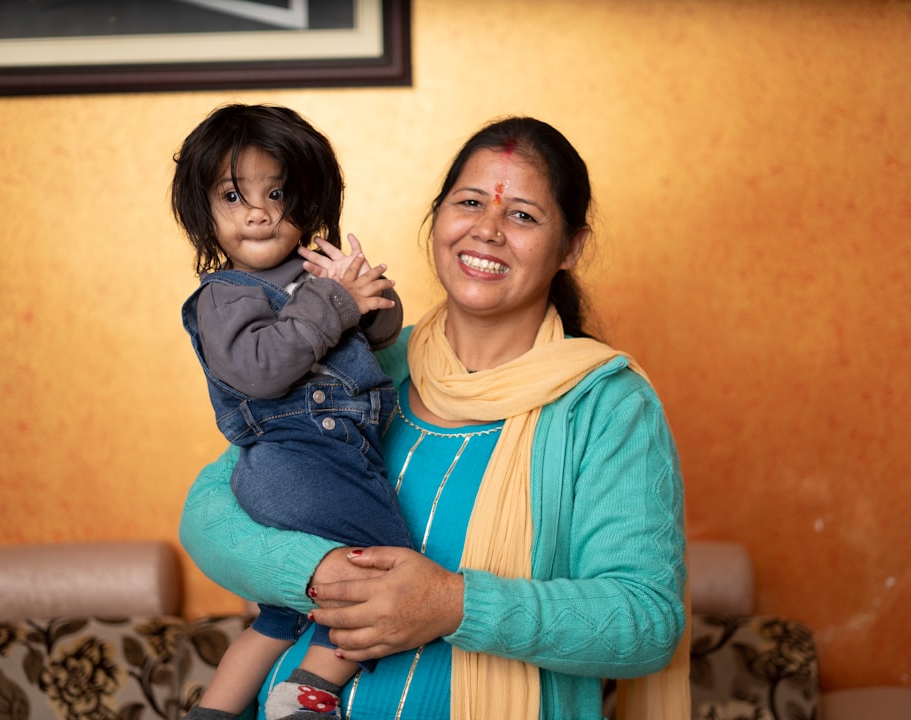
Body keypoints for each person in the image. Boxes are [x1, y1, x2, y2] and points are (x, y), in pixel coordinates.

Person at [179, 115, 690, 720]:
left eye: (522, 215)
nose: (488, 230)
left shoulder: (605, 407)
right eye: (469, 202)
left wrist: (453, 604)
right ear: (438, 217)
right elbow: (208, 514)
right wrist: (320, 574)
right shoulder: (363, 361)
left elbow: (645, 621)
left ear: (571, 247)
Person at [172, 103, 413, 720]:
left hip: (315, 465)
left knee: (279, 615)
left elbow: (381, 337)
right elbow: (260, 367)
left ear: (309, 202)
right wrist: (333, 301)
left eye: (276, 192)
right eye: (232, 195)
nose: (256, 210)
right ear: (205, 212)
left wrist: (365, 292)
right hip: (300, 463)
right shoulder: (222, 297)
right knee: (387, 574)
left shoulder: (314, 275)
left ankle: (216, 709)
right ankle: (306, 696)